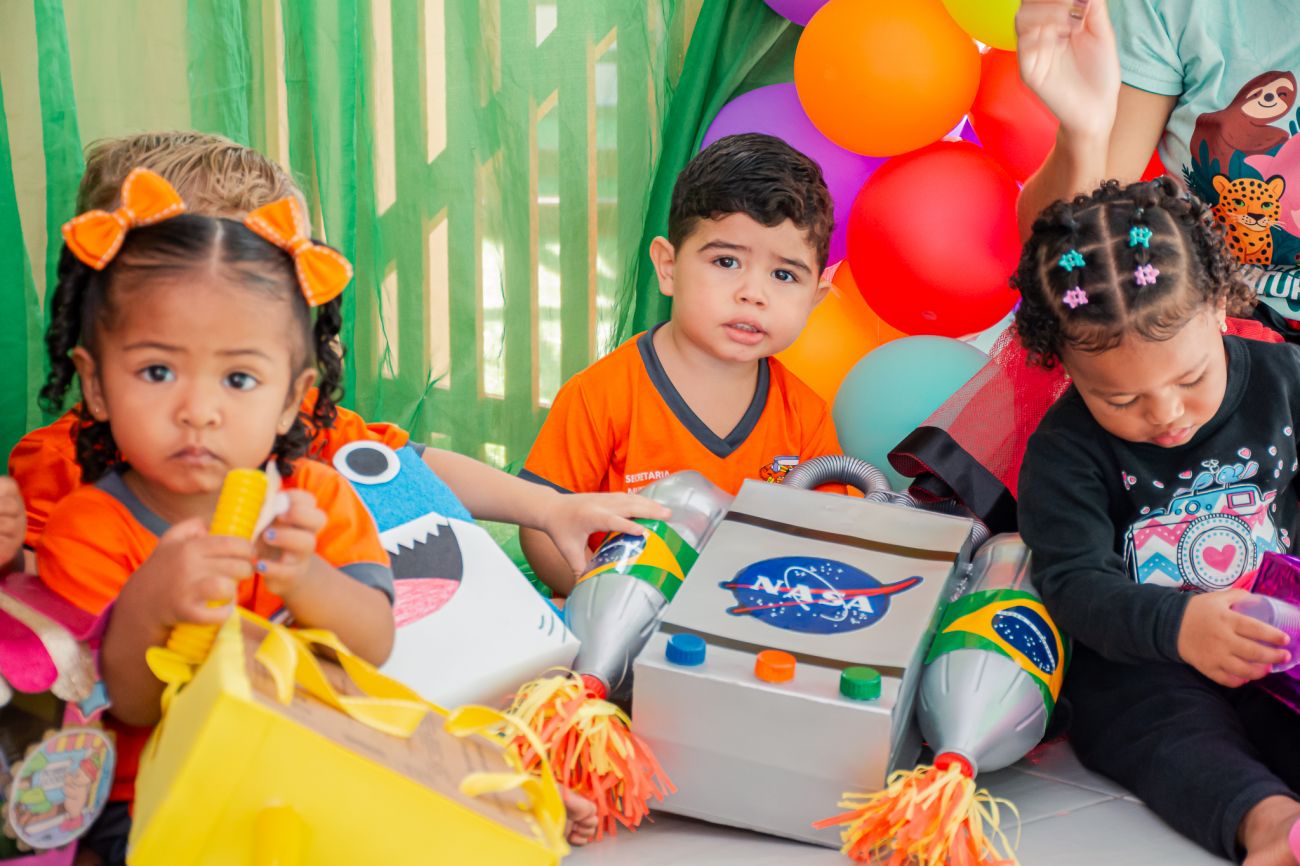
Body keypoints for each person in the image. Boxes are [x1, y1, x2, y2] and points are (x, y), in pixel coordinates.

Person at [8, 131, 666, 579]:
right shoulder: (58, 466)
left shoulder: (296, 429)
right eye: (159, 368)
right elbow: (43, 612)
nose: (200, 407)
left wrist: (548, 508)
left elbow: (408, 463)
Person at [35, 170, 396, 863]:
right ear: (96, 383)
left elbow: (373, 645)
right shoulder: (88, 527)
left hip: (305, 774)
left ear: (290, 400)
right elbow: (130, 707)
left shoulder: (315, 499)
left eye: (238, 379)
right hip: (153, 800)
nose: (198, 411)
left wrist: (306, 579)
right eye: (158, 372)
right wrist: (150, 602)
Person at [1016, 177, 1300, 865]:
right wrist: (1179, 627)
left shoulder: (1287, 380)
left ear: (1220, 306)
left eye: (1190, 379)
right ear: (1065, 368)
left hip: (1280, 637)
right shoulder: (1066, 449)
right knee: (1154, 728)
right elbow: (1074, 584)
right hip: (1146, 657)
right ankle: (1270, 825)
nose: (1166, 414)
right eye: (1121, 399)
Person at [518, 133, 843, 594]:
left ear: (814, 299)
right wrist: (600, 601)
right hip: (618, 613)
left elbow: (824, 539)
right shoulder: (601, 395)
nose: (753, 293)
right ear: (668, 267)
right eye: (727, 261)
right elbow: (540, 523)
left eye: (783, 274)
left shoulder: (806, 417)